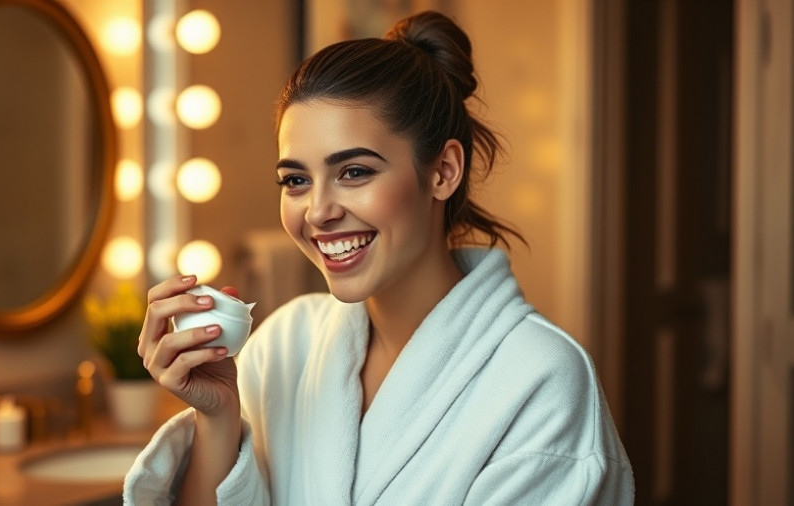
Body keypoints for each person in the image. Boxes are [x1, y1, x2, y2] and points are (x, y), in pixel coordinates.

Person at [125, 10, 634, 505]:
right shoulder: (284, 345)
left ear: (443, 171)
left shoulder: (540, 380)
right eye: (296, 180)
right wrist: (217, 418)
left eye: (354, 172)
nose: (318, 211)